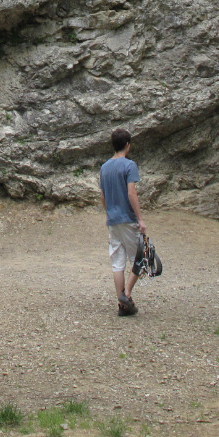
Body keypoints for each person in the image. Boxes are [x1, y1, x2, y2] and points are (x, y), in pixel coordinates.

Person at [99, 127, 146, 317]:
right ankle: (126, 295)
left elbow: (102, 195)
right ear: (127, 145)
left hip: (113, 220)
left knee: (117, 262)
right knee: (139, 260)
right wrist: (140, 219)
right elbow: (131, 193)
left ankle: (122, 303)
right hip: (128, 218)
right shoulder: (129, 165)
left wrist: (109, 212)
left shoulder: (104, 167)